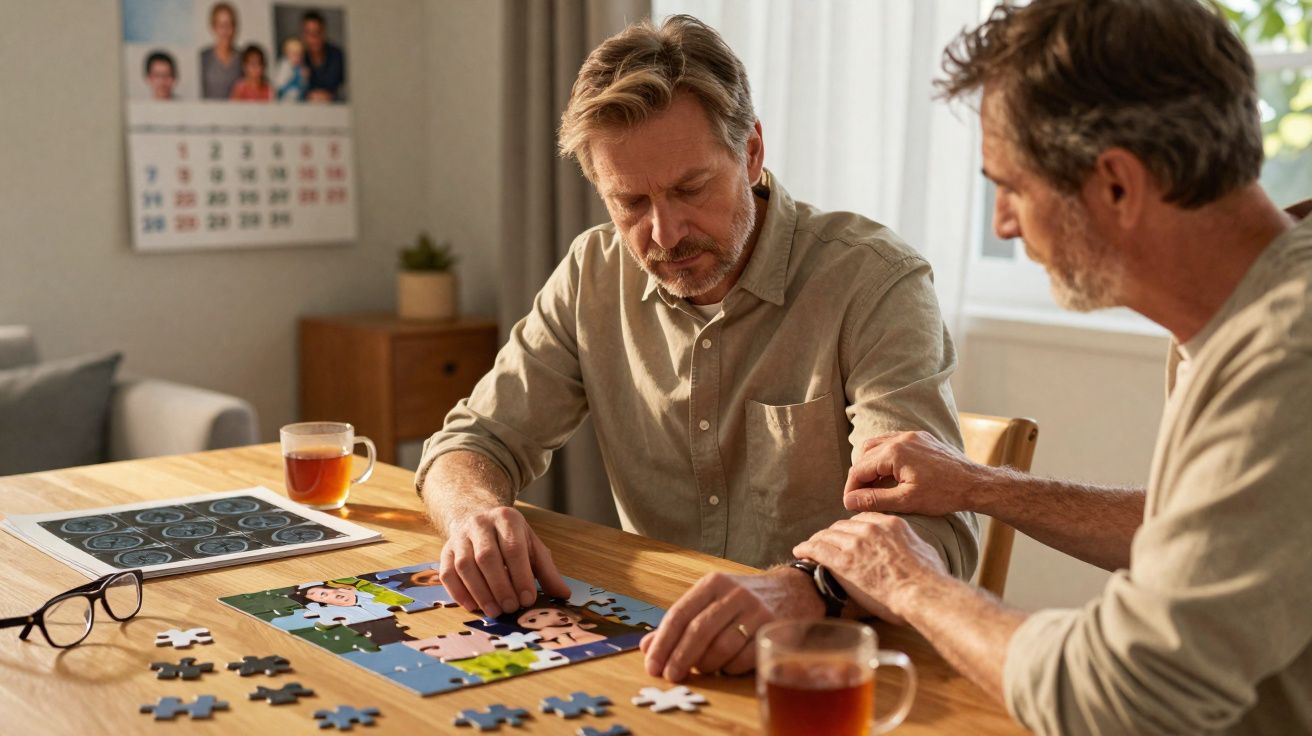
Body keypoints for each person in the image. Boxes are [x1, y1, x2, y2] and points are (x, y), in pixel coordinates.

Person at [793, 1, 1312, 733]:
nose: (1003, 221)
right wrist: (979, 484)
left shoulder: (1287, 357)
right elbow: (1207, 534)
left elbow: (1127, 697)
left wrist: (908, 581)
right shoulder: (1244, 307)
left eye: (1011, 186)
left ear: (1118, 187)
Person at [418, 15, 978, 682]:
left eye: (690, 189)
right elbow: (469, 444)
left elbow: (936, 539)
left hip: (832, 669)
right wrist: (474, 517)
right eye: (630, 203)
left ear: (752, 153)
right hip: (657, 655)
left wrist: (806, 587)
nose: (665, 232)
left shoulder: (876, 284)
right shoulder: (591, 273)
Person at [300, 10, 346, 102]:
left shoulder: (338, 56)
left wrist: (332, 96)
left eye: (317, 32)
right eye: (309, 33)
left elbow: (348, 88)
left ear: (324, 33)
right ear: (303, 35)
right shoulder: (298, 58)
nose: (313, 38)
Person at [199, 2, 241, 100]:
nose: (226, 31)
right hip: (209, 113)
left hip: (239, 114)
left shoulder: (243, 58)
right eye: (222, 26)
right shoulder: (203, 57)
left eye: (230, 25)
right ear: (213, 27)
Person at [274, 37, 309, 102]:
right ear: (287, 54)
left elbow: (303, 86)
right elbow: (279, 85)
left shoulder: (301, 67)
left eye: (300, 54)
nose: (298, 57)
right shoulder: (285, 66)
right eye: (294, 54)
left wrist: (305, 78)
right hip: (286, 99)